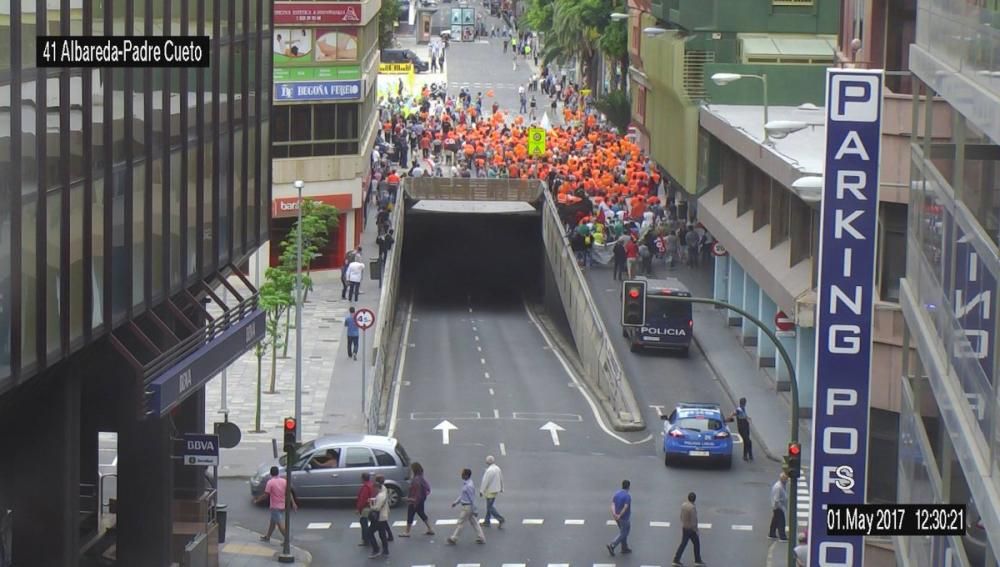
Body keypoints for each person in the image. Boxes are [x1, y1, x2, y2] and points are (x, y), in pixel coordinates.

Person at [254, 466, 297, 543]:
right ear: (278, 472)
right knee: (272, 522)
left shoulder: (270, 482)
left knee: (279, 524)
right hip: (282, 505)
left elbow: (266, 495)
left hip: (275, 506)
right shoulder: (284, 481)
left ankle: (287, 540)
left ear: (271, 473)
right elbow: (289, 492)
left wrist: (257, 500)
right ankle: (267, 537)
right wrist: (293, 503)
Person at [447, 468, 485, 545]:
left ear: (466, 475)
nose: (461, 475)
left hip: (467, 507)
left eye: (462, 474)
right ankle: (481, 537)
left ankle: (454, 538)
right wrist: (456, 502)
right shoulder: (467, 483)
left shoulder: (469, 486)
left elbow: (472, 499)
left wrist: (475, 510)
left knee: (461, 522)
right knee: (474, 523)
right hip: (467, 506)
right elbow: (463, 495)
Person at [401, 462, 434, 537]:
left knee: (410, 515)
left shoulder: (416, 480)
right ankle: (430, 529)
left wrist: (410, 499)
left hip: (415, 501)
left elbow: (416, 493)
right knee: (421, 513)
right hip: (421, 500)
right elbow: (427, 488)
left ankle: (407, 532)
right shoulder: (421, 478)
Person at [672, 492, 704, 566]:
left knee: (683, 544)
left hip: (685, 527)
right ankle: (697, 560)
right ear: (694, 499)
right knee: (696, 543)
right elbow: (694, 520)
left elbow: (681, 516)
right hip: (691, 529)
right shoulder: (692, 508)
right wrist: (696, 530)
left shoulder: (684, 505)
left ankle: (676, 559)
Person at [606, 479, 632, 556]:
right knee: (624, 533)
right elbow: (625, 507)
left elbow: (613, 504)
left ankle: (624, 548)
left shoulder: (617, 494)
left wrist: (614, 513)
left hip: (617, 517)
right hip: (624, 518)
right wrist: (620, 515)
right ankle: (612, 545)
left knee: (623, 532)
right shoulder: (627, 496)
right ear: (628, 487)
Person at [368, 475, 391, 558]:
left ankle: (376, 550)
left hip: (379, 518)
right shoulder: (382, 493)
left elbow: (377, 508)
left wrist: (371, 506)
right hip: (382, 517)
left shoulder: (380, 495)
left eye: (374, 489)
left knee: (369, 533)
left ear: (377, 488)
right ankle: (385, 550)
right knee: (382, 534)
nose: (373, 490)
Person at [356, 472, 379, 552]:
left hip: (366, 508)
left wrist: (359, 509)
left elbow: (362, 500)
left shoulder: (365, 487)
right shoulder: (371, 485)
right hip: (373, 506)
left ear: (362, 478)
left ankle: (366, 539)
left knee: (363, 522)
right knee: (375, 523)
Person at [480, 455, 505, 528]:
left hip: (489, 491)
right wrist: (502, 488)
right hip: (496, 490)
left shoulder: (489, 470)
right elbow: (501, 478)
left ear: (487, 461)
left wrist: (481, 491)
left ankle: (500, 519)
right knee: (489, 507)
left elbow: (485, 482)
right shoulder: (497, 468)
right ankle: (487, 521)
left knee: (490, 507)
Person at [769, 472, 789, 541]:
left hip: (777, 506)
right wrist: (782, 508)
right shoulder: (779, 487)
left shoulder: (781, 485)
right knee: (781, 522)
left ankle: (772, 534)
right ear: (783, 479)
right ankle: (782, 536)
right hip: (778, 507)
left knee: (775, 520)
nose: (787, 481)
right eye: (786, 479)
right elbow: (776, 499)